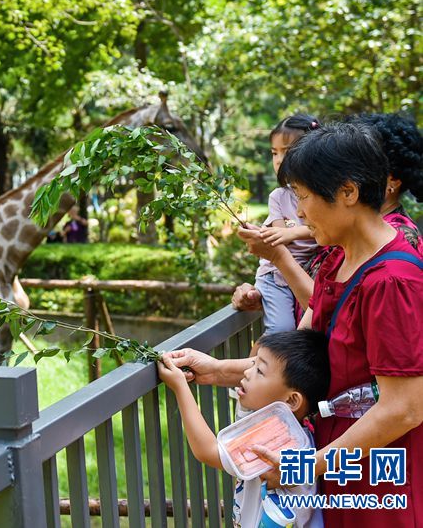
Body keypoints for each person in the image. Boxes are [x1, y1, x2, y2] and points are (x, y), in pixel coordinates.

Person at [172, 122, 423, 527]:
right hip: (340, 461)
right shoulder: (336, 261)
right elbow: (304, 353)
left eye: (303, 197)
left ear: (348, 192)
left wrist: (304, 468)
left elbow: (404, 409)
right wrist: (215, 370)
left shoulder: (393, 281)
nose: (299, 213)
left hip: (379, 481)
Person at [232, 112, 423, 312]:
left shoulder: (393, 243)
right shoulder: (346, 229)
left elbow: (332, 314)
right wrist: (267, 296)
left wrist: (279, 257)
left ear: (391, 180)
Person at [159, 330, 329, 527]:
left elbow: (208, 451)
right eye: (253, 365)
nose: (247, 373)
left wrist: (180, 386)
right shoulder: (295, 431)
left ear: (291, 400)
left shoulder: (277, 438)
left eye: (259, 371)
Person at [252, 114, 320, 334]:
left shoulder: (324, 196)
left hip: (303, 274)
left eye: (287, 151)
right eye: (274, 153)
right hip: (277, 277)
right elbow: (281, 236)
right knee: (281, 330)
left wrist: (292, 233)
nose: (279, 159)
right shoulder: (278, 196)